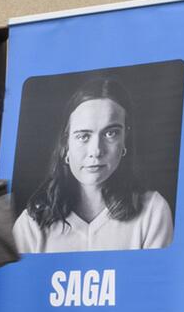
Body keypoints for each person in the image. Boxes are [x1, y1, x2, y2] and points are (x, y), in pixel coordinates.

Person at [12, 77, 173, 253]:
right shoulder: (32, 224)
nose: (96, 150)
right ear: (66, 146)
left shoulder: (153, 211)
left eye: (110, 133)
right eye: (83, 136)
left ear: (125, 139)